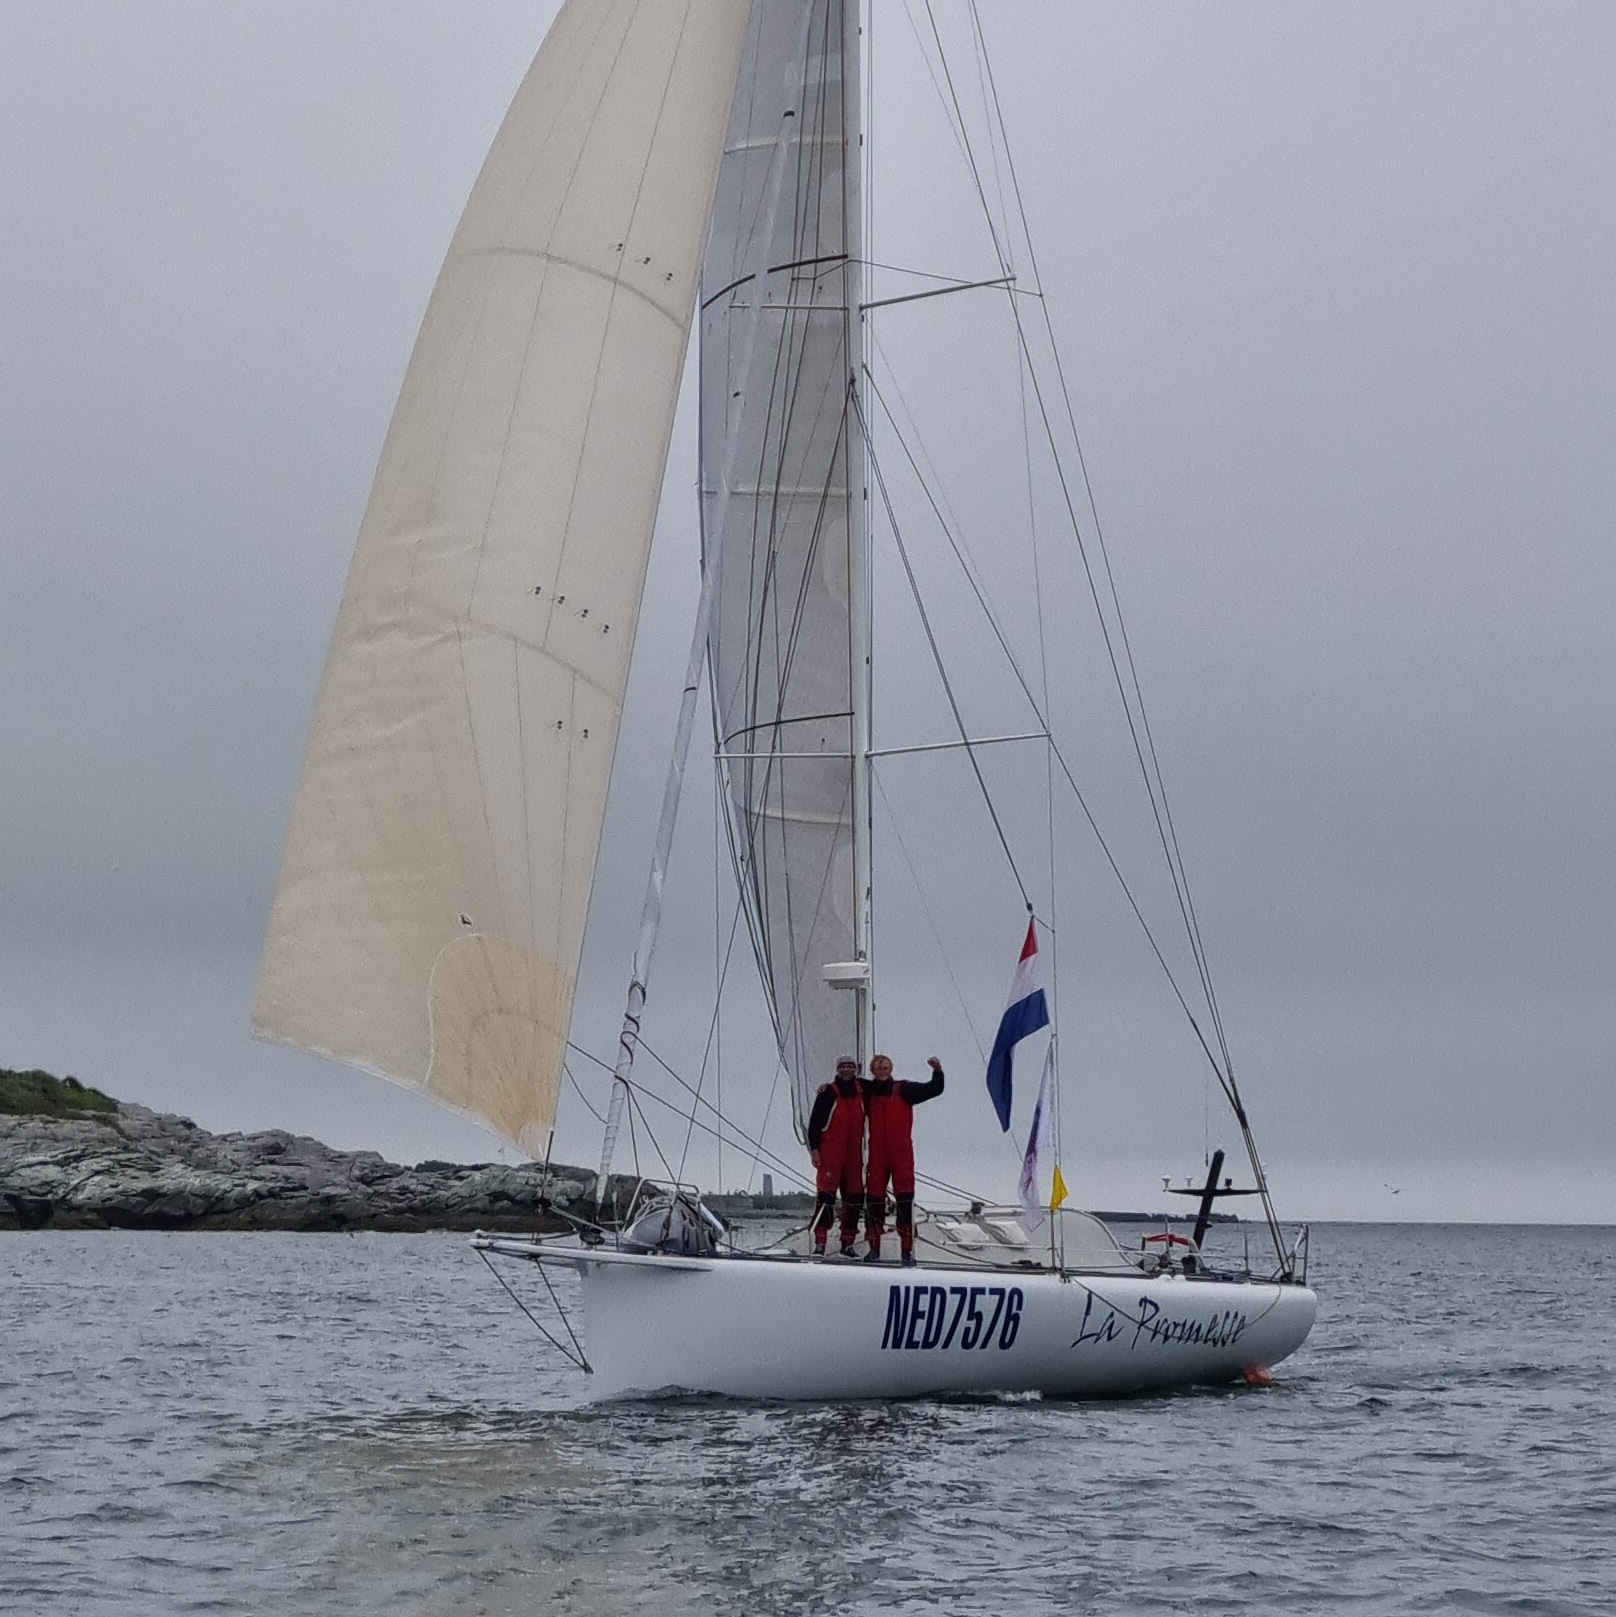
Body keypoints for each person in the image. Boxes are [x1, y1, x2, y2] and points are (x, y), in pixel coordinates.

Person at [862, 1054, 944, 1266]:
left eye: (885, 1066)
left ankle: (907, 1251)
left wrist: (937, 1071)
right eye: (877, 1067)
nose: (881, 1070)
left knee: (905, 1199)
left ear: (891, 1068)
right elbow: (843, 1087)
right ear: (872, 1070)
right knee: (873, 1200)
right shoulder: (867, 1091)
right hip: (877, 1153)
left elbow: (934, 1089)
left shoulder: (904, 1089)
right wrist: (824, 1089)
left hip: (901, 1153)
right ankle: (873, 1248)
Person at [806, 1056, 865, 1258]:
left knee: (855, 1199)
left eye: (850, 1066)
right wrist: (814, 1149)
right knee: (825, 1198)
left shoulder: (862, 1090)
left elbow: (882, 1085)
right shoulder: (828, 1093)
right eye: (842, 1066)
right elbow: (814, 1123)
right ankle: (820, 1243)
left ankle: (847, 1243)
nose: (846, 1070)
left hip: (854, 1155)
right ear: (837, 1069)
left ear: (856, 1070)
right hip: (831, 1152)